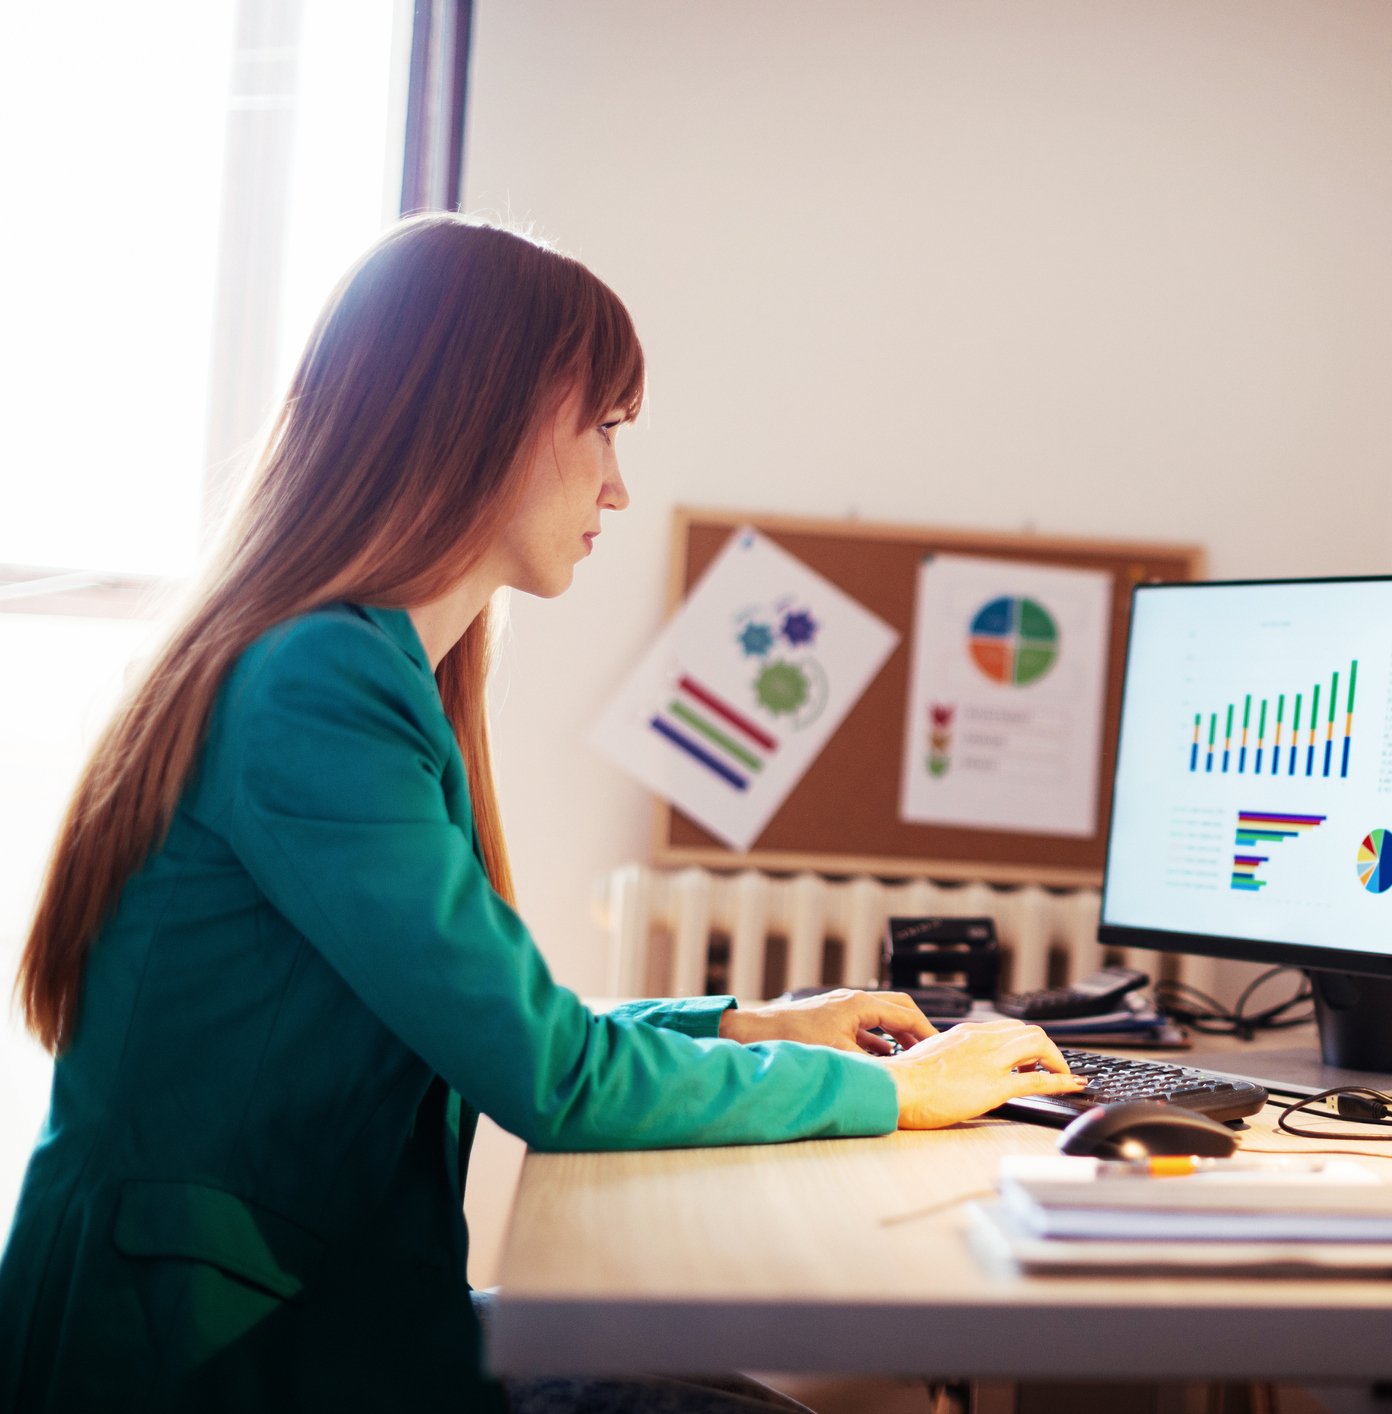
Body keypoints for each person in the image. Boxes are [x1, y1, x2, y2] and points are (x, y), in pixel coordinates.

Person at [0, 214, 1084, 1414]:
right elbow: (549, 1078)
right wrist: (905, 1088)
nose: (619, 485)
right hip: (204, 1353)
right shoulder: (318, 686)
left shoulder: (362, 670)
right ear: (479, 420)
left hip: (302, 1307)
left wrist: (748, 1024)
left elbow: (491, 1026)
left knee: (737, 1388)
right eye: (606, 427)